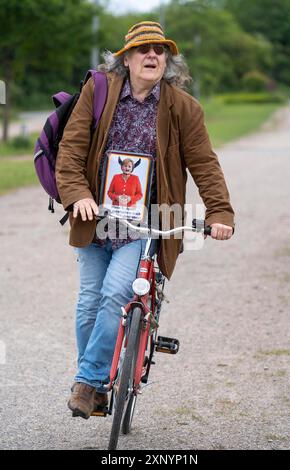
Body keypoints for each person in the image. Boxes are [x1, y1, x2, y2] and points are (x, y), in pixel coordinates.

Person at [55, 21, 235, 419]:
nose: (152, 55)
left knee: (117, 293)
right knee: (88, 303)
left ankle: (88, 383)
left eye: (159, 50)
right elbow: (70, 150)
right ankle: (98, 385)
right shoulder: (98, 91)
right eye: (143, 49)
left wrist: (219, 211)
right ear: (126, 59)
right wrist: (78, 194)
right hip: (95, 217)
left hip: (145, 223)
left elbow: (204, 164)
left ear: (168, 60)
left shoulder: (183, 108)